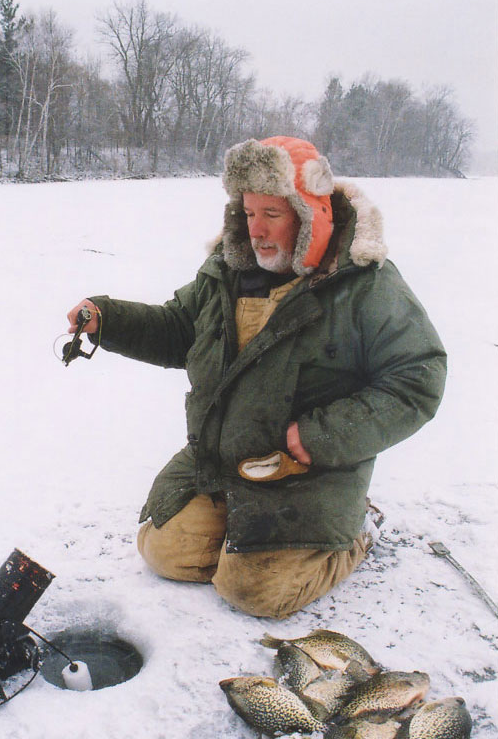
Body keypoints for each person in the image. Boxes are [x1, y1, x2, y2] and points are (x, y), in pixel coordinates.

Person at [67, 136, 446, 619]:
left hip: (307, 474)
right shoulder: (225, 273)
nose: (258, 231)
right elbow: (180, 328)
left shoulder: (366, 286)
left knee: (253, 593)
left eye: (273, 214)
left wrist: (322, 436)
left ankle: (353, 535)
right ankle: (241, 533)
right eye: (249, 214)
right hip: (223, 461)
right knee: (166, 553)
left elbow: (418, 377)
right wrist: (108, 319)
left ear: (310, 214)